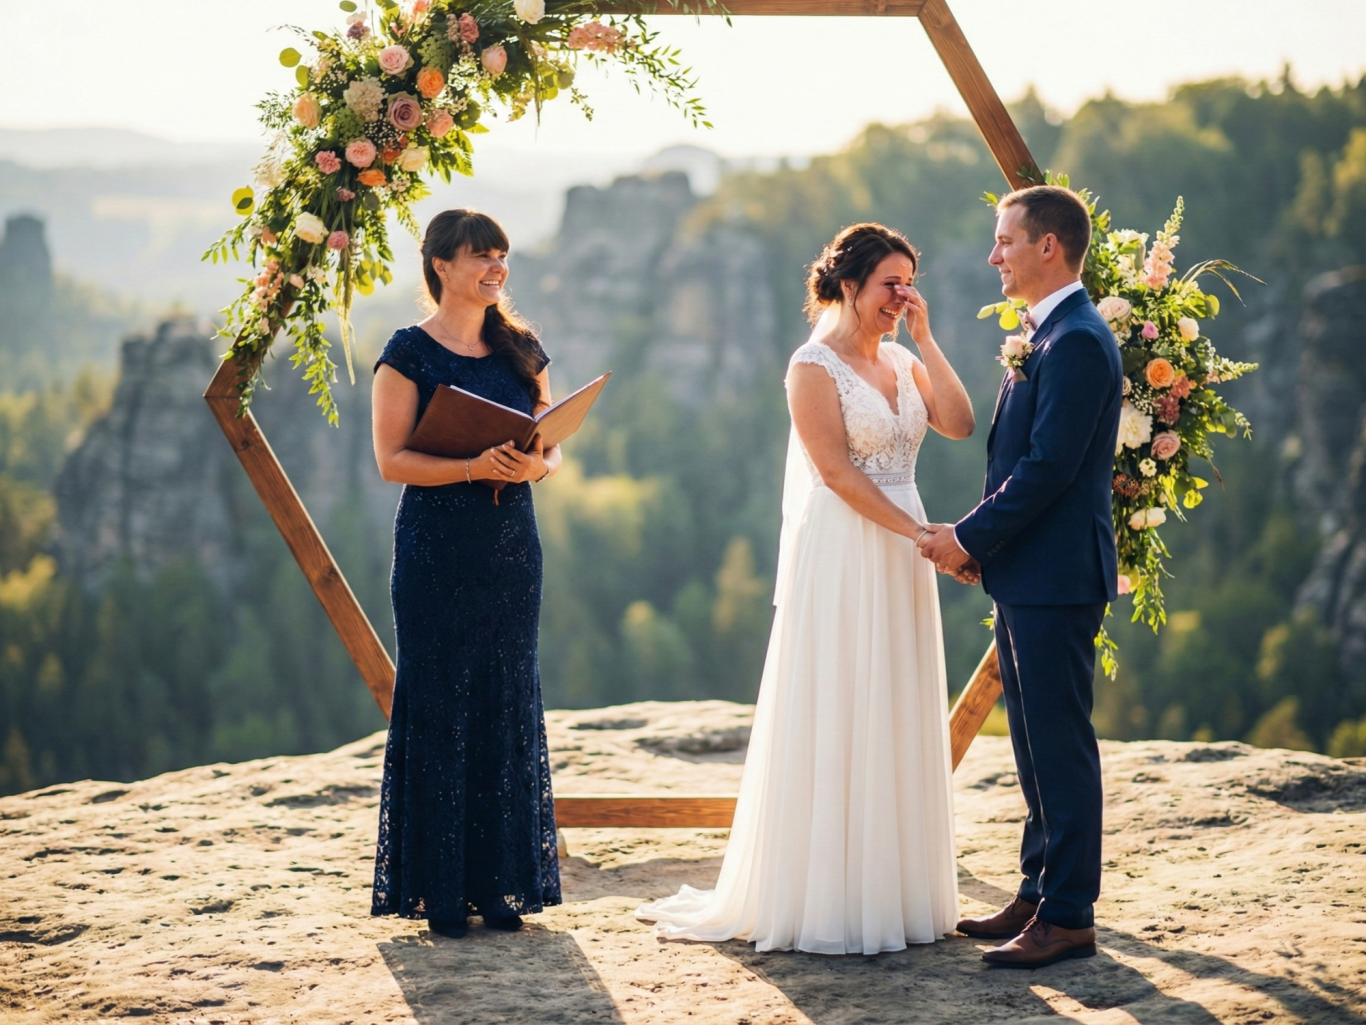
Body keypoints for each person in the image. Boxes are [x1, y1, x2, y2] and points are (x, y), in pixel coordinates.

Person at [637, 223, 975, 954]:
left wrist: (926, 336)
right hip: (851, 543)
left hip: (902, 538)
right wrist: (918, 537)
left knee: (894, 698)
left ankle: (897, 890)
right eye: (891, 283)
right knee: (842, 696)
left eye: (910, 282)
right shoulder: (811, 366)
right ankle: (828, 894)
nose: (902, 295)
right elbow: (835, 472)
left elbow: (959, 421)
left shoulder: (903, 359)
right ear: (849, 284)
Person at [918, 185, 1123, 968]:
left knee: (1060, 742)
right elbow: (1021, 464)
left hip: (1058, 576)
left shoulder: (1074, 339)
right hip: (1030, 571)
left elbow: (1045, 471)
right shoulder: (1049, 332)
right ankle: (1039, 888)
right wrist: (986, 552)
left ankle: (1069, 914)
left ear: (1049, 246)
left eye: (1005, 240)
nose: (993, 255)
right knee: (1034, 743)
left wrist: (967, 537)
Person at [369, 208, 562, 939]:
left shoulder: (523, 348)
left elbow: (553, 440)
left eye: (502, 256)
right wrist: (473, 466)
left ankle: (498, 883)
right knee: (442, 702)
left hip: (512, 546)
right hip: (435, 549)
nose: (495, 268)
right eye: (481, 256)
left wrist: (538, 463)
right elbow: (392, 461)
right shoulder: (406, 353)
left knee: (504, 698)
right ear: (440, 264)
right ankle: (439, 890)